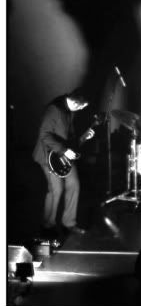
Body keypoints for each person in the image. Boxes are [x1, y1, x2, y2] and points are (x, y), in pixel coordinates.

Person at [32, 89, 95, 239]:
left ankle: (69, 223)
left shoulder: (70, 111)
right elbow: (44, 135)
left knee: (74, 184)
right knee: (56, 190)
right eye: (81, 106)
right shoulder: (54, 109)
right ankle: (47, 225)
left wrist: (84, 137)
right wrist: (63, 150)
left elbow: (68, 137)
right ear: (75, 102)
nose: (82, 109)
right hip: (47, 155)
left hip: (63, 155)